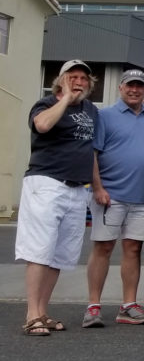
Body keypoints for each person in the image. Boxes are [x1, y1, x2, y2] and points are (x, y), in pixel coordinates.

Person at [17, 60, 99, 336]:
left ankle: (42, 311)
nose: (79, 82)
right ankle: (31, 314)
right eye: (72, 77)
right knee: (40, 250)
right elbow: (41, 126)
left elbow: (92, 150)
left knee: (59, 255)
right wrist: (64, 100)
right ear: (60, 80)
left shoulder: (92, 111)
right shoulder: (46, 104)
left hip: (78, 188)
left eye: (83, 78)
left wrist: (96, 187)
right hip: (47, 183)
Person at [83, 69, 144, 328]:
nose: (134, 90)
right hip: (109, 196)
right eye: (130, 86)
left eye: (139, 86)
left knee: (133, 250)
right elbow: (92, 154)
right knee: (103, 248)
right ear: (121, 88)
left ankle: (128, 306)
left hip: (142, 197)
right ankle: (93, 307)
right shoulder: (104, 116)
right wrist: (97, 188)